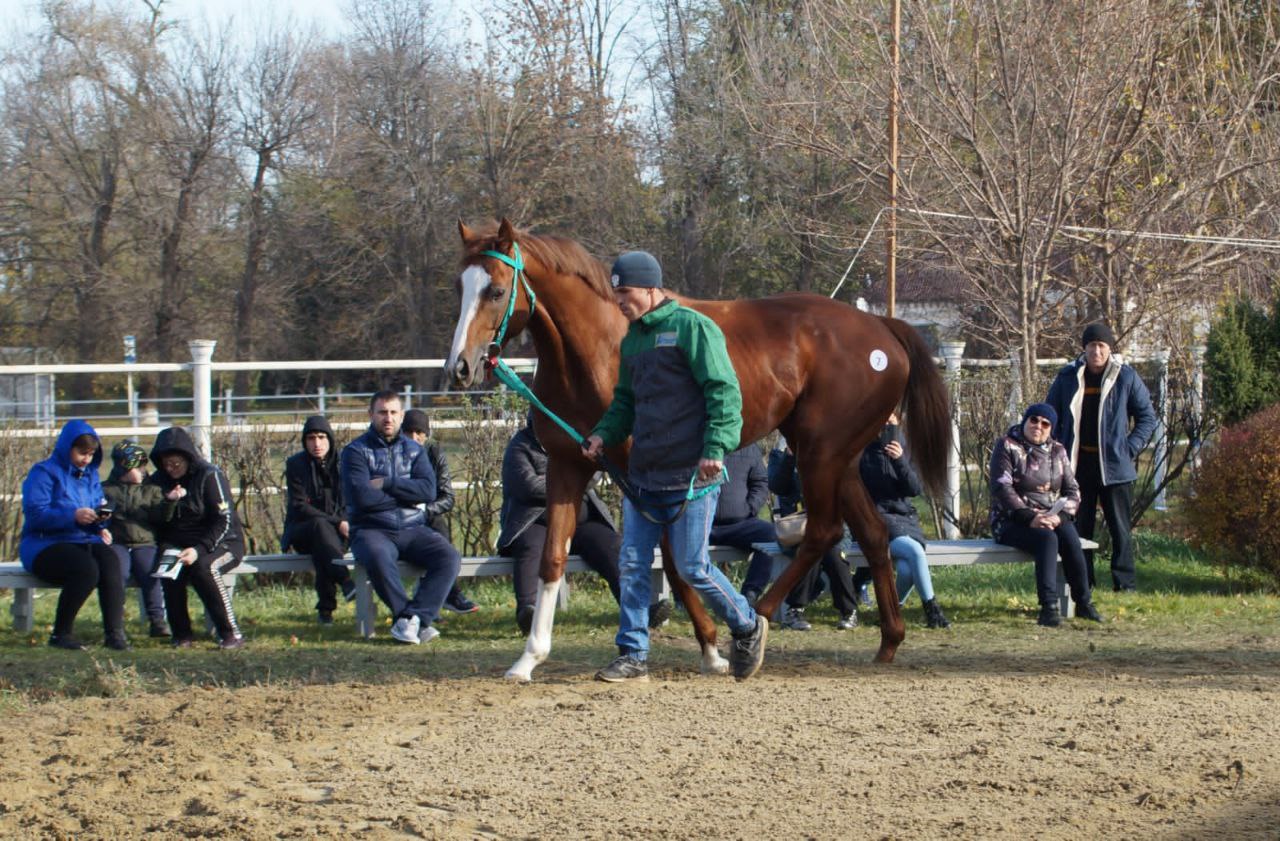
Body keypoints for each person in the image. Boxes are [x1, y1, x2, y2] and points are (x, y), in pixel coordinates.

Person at [582, 250, 766, 682]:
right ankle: (633, 654)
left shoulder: (693, 328)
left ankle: (746, 623)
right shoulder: (634, 341)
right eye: (616, 294)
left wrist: (715, 449)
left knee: (693, 567)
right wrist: (602, 434)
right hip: (644, 474)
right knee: (631, 562)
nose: (619, 302)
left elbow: (724, 392)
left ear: (650, 288)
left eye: (624, 293)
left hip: (692, 475)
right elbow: (625, 402)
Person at [341, 390, 462, 645]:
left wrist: (386, 483)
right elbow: (362, 497)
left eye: (393, 413)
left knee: (448, 556)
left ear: (401, 416)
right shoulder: (355, 452)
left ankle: (413, 619)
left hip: (412, 528)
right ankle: (410, 620)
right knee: (378, 556)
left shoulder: (415, 450)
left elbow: (428, 491)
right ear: (371, 414)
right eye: (382, 412)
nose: (388, 418)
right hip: (372, 529)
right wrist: (406, 494)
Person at [1045, 322, 1157, 592]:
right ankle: (1084, 583)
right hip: (1078, 466)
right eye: (1092, 345)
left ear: (1109, 349)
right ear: (1084, 348)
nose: (1097, 351)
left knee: (1120, 529)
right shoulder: (1067, 377)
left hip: (1115, 468)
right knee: (1079, 529)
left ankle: (1125, 584)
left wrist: (1128, 448)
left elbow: (1147, 418)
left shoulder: (1126, 377)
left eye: (1102, 346)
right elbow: (1050, 414)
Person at [19, 420, 128, 650]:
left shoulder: (90, 476)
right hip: (43, 544)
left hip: (82, 538)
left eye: (90, 454)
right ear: (66, 447)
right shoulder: (43, 473)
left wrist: (101, 523)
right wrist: (72, 516)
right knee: (86, 569)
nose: (86, 459)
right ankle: (61, 634)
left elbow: (96, 506)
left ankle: (115, 634)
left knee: (110, 562)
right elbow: (36, 515)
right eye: (81, 453)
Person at [990, 403, 1102, 628]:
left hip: (1051, 515)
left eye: (1045, 423)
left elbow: (1073, 490)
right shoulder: (1007, 446)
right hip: (1012, 520)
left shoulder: (1058, 451)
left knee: (1070, 538)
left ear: (1051, 428)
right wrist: (1029, 516)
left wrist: (1060, 517)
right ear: (1025, 421)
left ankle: (1083, 601)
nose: (1038, 426)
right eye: (1034, 420)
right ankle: (1049, 607)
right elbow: (1002, 488)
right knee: (1047, 540)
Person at [148, 426, 247, 649]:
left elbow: (224, 520)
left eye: (176, 464)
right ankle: (182, 634)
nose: (171, 469)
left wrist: (199, 549)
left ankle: (231, 633)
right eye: (166, 464)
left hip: (222, 542)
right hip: (178, 544)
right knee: (169, 571)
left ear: (187, 458)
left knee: (204, 568)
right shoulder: (158, 481)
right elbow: (154, 516)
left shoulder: (210, 475)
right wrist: (168, 502)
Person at [859, 412, 950, 629]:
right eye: (881, 421)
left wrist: (899, 460)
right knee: (915, 552)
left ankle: (889, 612)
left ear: (898, 422)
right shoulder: (862, 451)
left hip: (905, 516)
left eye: (890, 422)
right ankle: (932, 609)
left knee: (908, 570)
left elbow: (914, 489)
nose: (885, 426)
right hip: (876, 519)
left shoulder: (904, 449)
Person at [767, 440, 859, 630]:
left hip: (832, 526)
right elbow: (778, 486)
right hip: (796, 530)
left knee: (834, 556)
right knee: (811, 553)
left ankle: (848, 612)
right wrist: (790, 458)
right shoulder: (779, 455)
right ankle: (795, 611)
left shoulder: (830, 451)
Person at [401, 409, 478, 615]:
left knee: (438, 529)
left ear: (427, 435)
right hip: (399, 519)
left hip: (427, 516)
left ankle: (447, 596)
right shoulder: (393, 455)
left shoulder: (435, 455)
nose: (414, 437)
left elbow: (448, 497)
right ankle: (451, 596)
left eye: (419, 432)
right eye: (408, 432)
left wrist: (424, 509)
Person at [282, 415, 357, 625]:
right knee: (319, 527)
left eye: (322, 437)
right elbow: (299, 506)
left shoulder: (344, 463)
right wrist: (337, 522)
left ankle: (326, 610)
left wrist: (343, 522)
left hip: (337, 534)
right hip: (303, 530)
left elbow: (353, 500)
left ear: (330, 439)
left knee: (323, 547)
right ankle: (344, 580)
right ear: (304, 441)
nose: (317, 444)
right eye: (311, 438)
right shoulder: (295, 464)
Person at [103, 440, 175, 638]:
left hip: (145, 543)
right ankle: (116, 622)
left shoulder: (151, 490)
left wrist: (169, 502)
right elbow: (101, 514)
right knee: (118, 573)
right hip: (118, 542)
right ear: (123, 468)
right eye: (138, 468)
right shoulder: (107, 490)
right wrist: (101, 523)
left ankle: (157, 620)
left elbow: (161, 517)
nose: (143, 471)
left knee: (150, 573)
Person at [710, 444, 782, 612]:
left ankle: (750, 594)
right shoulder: (697, 440)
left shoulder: (749, 447)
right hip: (701, 522)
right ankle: (681, 598)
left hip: (740, 524)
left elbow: (761, 482)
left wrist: (750, 508)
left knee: (769, 534)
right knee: (674, 537)